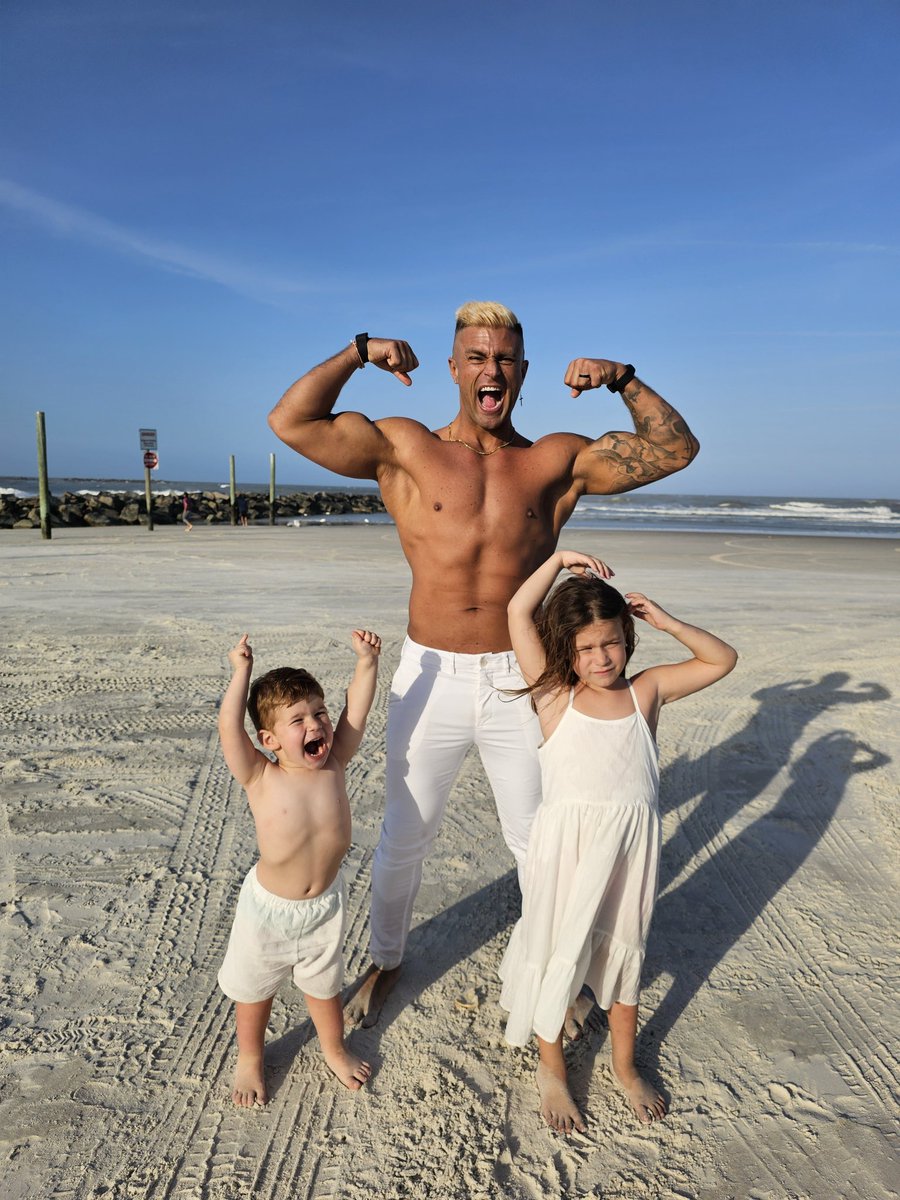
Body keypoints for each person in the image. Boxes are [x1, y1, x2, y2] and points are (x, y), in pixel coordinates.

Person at [268, 301, 700, 1026]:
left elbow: (673, 451)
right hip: (429, 674)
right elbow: (292, 422)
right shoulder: (405, 446)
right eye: (476, 356)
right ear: (453, 368)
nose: (490, 369)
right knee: (405, 834)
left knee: (539, 839)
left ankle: (552, 974)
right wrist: (356, 352)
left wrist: (623, 379)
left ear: (522, 372)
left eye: (503, 358)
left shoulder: (554, 459)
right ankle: (387, 957)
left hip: (521, 678)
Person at [498, 549, 737, 1133]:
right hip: (568, 852)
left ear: (627, 639)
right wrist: (556, 560)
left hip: (630, 855)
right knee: (557, 954)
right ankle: (552, 1070)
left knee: (626, 952)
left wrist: (668, 621)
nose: (600, 658)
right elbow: (516, 610)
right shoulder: (555, 697)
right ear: (565, 651)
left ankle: (625, 1067)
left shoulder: (645, 692)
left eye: (610, 643)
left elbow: (721, 659)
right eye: (585, 648)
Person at [216, 628, 381, 1106]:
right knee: (254, 990)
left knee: (325, 986)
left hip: (325, 905)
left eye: (319, 713)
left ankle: (334, 1047)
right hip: (268, 911)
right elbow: (230, 727)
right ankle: (250, 1057)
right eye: (298, 720)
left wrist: (367, 663)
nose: (317, 726)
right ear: (269, 739)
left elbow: (358, 711)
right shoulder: (260, 774)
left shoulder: (335, 763)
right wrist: (241, 672)